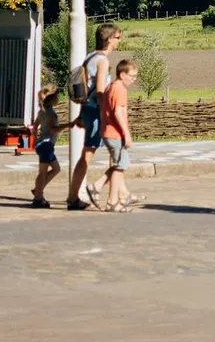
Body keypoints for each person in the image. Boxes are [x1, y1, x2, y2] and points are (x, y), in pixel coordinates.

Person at [66, 23, 119, 210]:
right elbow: (99, 90)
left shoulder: (89, 57)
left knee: (89, 154)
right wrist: (109, 111)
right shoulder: (102, 61)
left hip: (88, 110)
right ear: (109, 39)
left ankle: (74, 196)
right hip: (98, 112)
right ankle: (108, 194)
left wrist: (81, 113)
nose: (119, 41)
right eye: (118, 37)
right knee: (110, 152)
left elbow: (84, 87)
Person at [99, 57, 142, 212]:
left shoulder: (111, 86)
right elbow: (118, 112)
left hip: (109, 132)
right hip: (115, 133)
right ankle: (111, 201)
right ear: (122, 74)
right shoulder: (120, 89)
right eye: (132, 76)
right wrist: (126, 133)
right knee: (119, 166)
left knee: (119, 165)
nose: (133, 79)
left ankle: (109, 194)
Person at [30, 87, 64, 208]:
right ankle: (38, 198)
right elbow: (52, 129)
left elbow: (35, 127)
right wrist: (66, 126)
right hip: (46, 144)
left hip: (43, 144)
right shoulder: (52, 114)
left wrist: (34, 140)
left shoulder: (42, 112)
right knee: (43, 172)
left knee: (56, 169)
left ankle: (38, 189)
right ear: (53, 102)